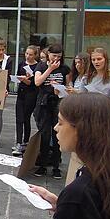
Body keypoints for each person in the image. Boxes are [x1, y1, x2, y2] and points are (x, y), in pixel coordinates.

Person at [33, 44, 70, 179]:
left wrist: (60, 89)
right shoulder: (41, 66)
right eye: (54, 56)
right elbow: (37, 82)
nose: (56, 59)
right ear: (48, 54)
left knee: (57, 135)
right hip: (43, 104)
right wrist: (49, 69)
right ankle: (42, 165)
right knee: (45, 134)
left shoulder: (64, 68)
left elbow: (68, 86)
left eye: (59, 57)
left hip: (58, 103)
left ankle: (56, 166)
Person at [12, 46, 40, 156]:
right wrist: (20, 79)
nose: (28, 56)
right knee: (19, 118)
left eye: (30, 54)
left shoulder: (37, 66)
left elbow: (34, 84)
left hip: (31, 94)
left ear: (35, 55)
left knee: (26, 118)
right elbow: (19, 75)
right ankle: (18, 142)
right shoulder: (22, 64)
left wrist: (26, 80)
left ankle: (25, 141)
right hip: (21, 93)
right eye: (27, 53)